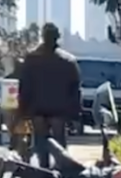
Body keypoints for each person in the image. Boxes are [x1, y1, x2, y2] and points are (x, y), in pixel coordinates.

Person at [17, 23, 81, 167]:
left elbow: (24, 87)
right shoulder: (68, 61)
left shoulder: (31, 59)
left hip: (37, 110)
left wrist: (22, 110)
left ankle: (44, 172)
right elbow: (75, 89)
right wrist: (75, 114)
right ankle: (61, 172)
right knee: (60, 145)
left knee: (41, 142)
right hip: (59, 111)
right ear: (57, 38)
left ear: (43, 37)